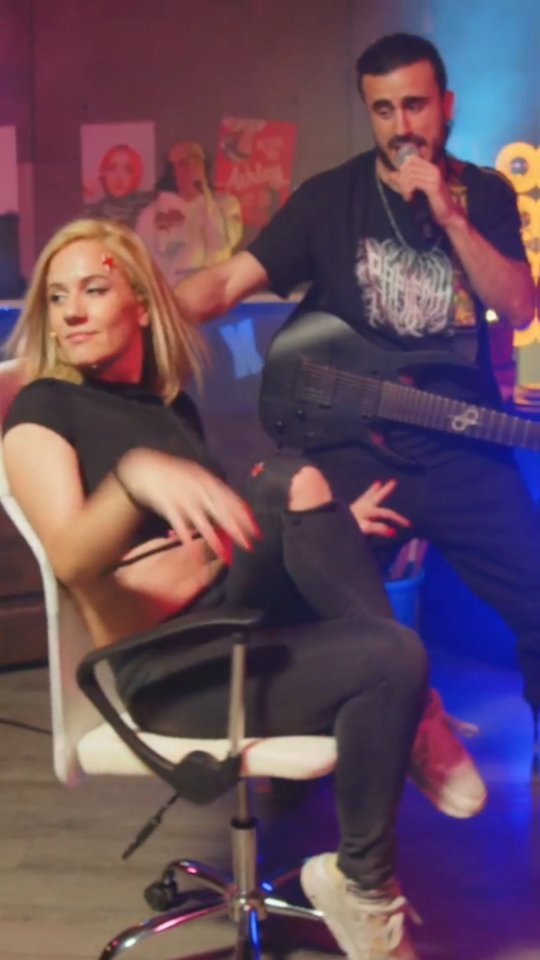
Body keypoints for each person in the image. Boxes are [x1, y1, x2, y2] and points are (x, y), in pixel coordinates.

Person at [2, 217, 458, 959]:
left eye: (93, 290)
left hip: (237, 632)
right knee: (382, 643)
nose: (73, 312)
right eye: (57, 297)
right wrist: (136, 477)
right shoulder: (41, 409)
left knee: (373, 617)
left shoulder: (167, 408)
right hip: (175, 673)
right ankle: (372, 885)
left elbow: (223, 544)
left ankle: (360, 867)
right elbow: (75, 559)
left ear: (141, 303)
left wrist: (324, 526)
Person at [172, 33, 540, 736]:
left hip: (462, 446)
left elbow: (521, 306)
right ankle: (299, 755)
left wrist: (450, 214)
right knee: (287, 597)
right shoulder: (328, 198)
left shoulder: (486, 194)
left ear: (447, 105)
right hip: (354, 446)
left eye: (415, 105)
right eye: (383, 110)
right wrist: (140, 317)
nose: (402, 127)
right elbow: (224, 283)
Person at [136, 141, 242, 286]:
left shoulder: (227, 205)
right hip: (174, 292)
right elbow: (145, 263)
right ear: (171, 171)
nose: (192, 169)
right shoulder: (150, 215)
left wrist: (207, 199)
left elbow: (221, 242)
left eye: (197, 161)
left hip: (216, 290)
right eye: (183, 164)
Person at [83, 144, 152, 228]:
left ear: (136, 175)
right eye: (112, 168)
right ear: (104, 173)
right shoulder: (93, 215)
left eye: (127, 169)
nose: (119, 177)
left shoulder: (150, 205)